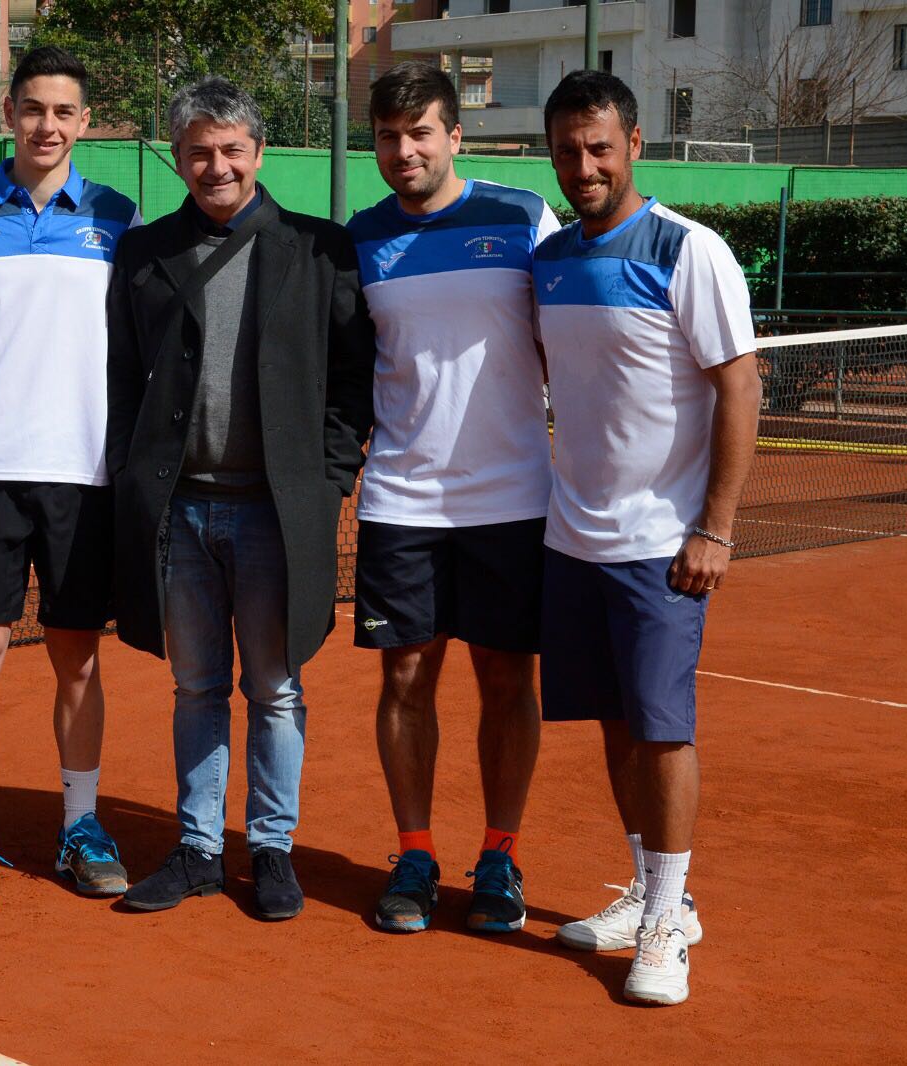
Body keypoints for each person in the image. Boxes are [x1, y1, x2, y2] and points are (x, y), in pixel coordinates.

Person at [106, 77, 375, 921]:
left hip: (274, 514)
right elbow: (120, 380)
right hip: (179, 512)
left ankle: (271, 847)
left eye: (230, 150)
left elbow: (351, 382)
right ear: (179, 159)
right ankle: (196, 849)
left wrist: (328, 475)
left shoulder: (319, 250)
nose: (214, 166)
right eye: (198, 152)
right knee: (194, 687)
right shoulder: (145, 253)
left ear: (257, 154)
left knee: (276, 688)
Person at [532, 70, 761, 1005]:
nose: (584, 166)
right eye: (568, 150)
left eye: (600, 147)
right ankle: (656, 890)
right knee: (618, 725)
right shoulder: (548, 259)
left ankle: (669, 922)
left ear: (634, 145)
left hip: (664, 546)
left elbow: (739, 385)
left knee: (664, 731)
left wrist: (716, 528)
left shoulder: (688, 250)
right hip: (571, 540)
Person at [346, 62, 560, 935]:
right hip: (401, 499)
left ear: (455, 135)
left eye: (421, 132)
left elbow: (572, 344)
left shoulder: (520, 218)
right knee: (406, 677)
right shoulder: (356, 239)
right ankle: (416, 852)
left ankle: (501, 856)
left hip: (514, 499)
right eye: (389, 136)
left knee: (508, 678)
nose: (404, 150)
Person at [0, 46, 140, 919]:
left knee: (78, 661)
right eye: (32, 110)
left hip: (83, 475)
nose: (47, 126)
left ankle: (81, 827)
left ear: (83, 123)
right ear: (7, 114)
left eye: (64, 113)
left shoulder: (121, 220)